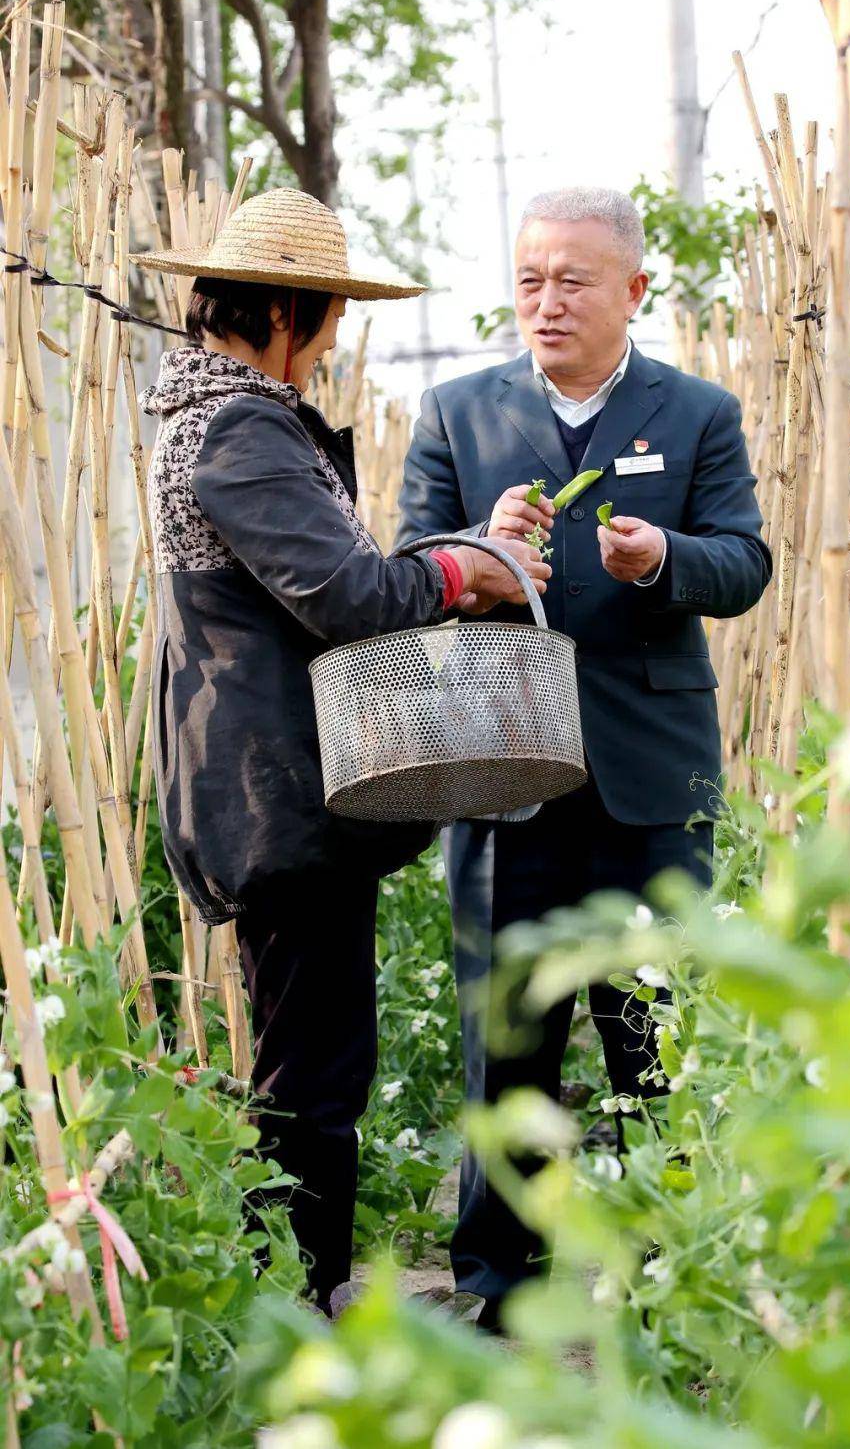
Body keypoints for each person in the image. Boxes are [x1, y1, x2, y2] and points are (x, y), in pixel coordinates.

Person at [135, 187, 550, 1313]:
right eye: (322, 321)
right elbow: (353, 595)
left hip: (273, 790)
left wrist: (469, 548)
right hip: (279, 799)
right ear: (280, 309)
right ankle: (296, 1308)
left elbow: (328, 579)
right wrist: (471, 573)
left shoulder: (211, 415)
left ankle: (295, 1296)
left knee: (309, 1059)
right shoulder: (239, 425)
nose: (326, 348)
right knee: (311, 1076)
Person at [397, 186, 772, 1329]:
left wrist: (664, 556)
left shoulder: (696, 411)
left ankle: (673, 1280)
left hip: (650, 780)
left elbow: (746, 563)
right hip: (503, 767)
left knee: (653, 1037)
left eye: (573, 279)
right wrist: (480, 548)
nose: (546, 301)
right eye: (529, 279)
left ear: (633, 291)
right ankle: (501, 1293)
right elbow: (407, 569)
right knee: (504, 1037)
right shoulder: (458, 413)